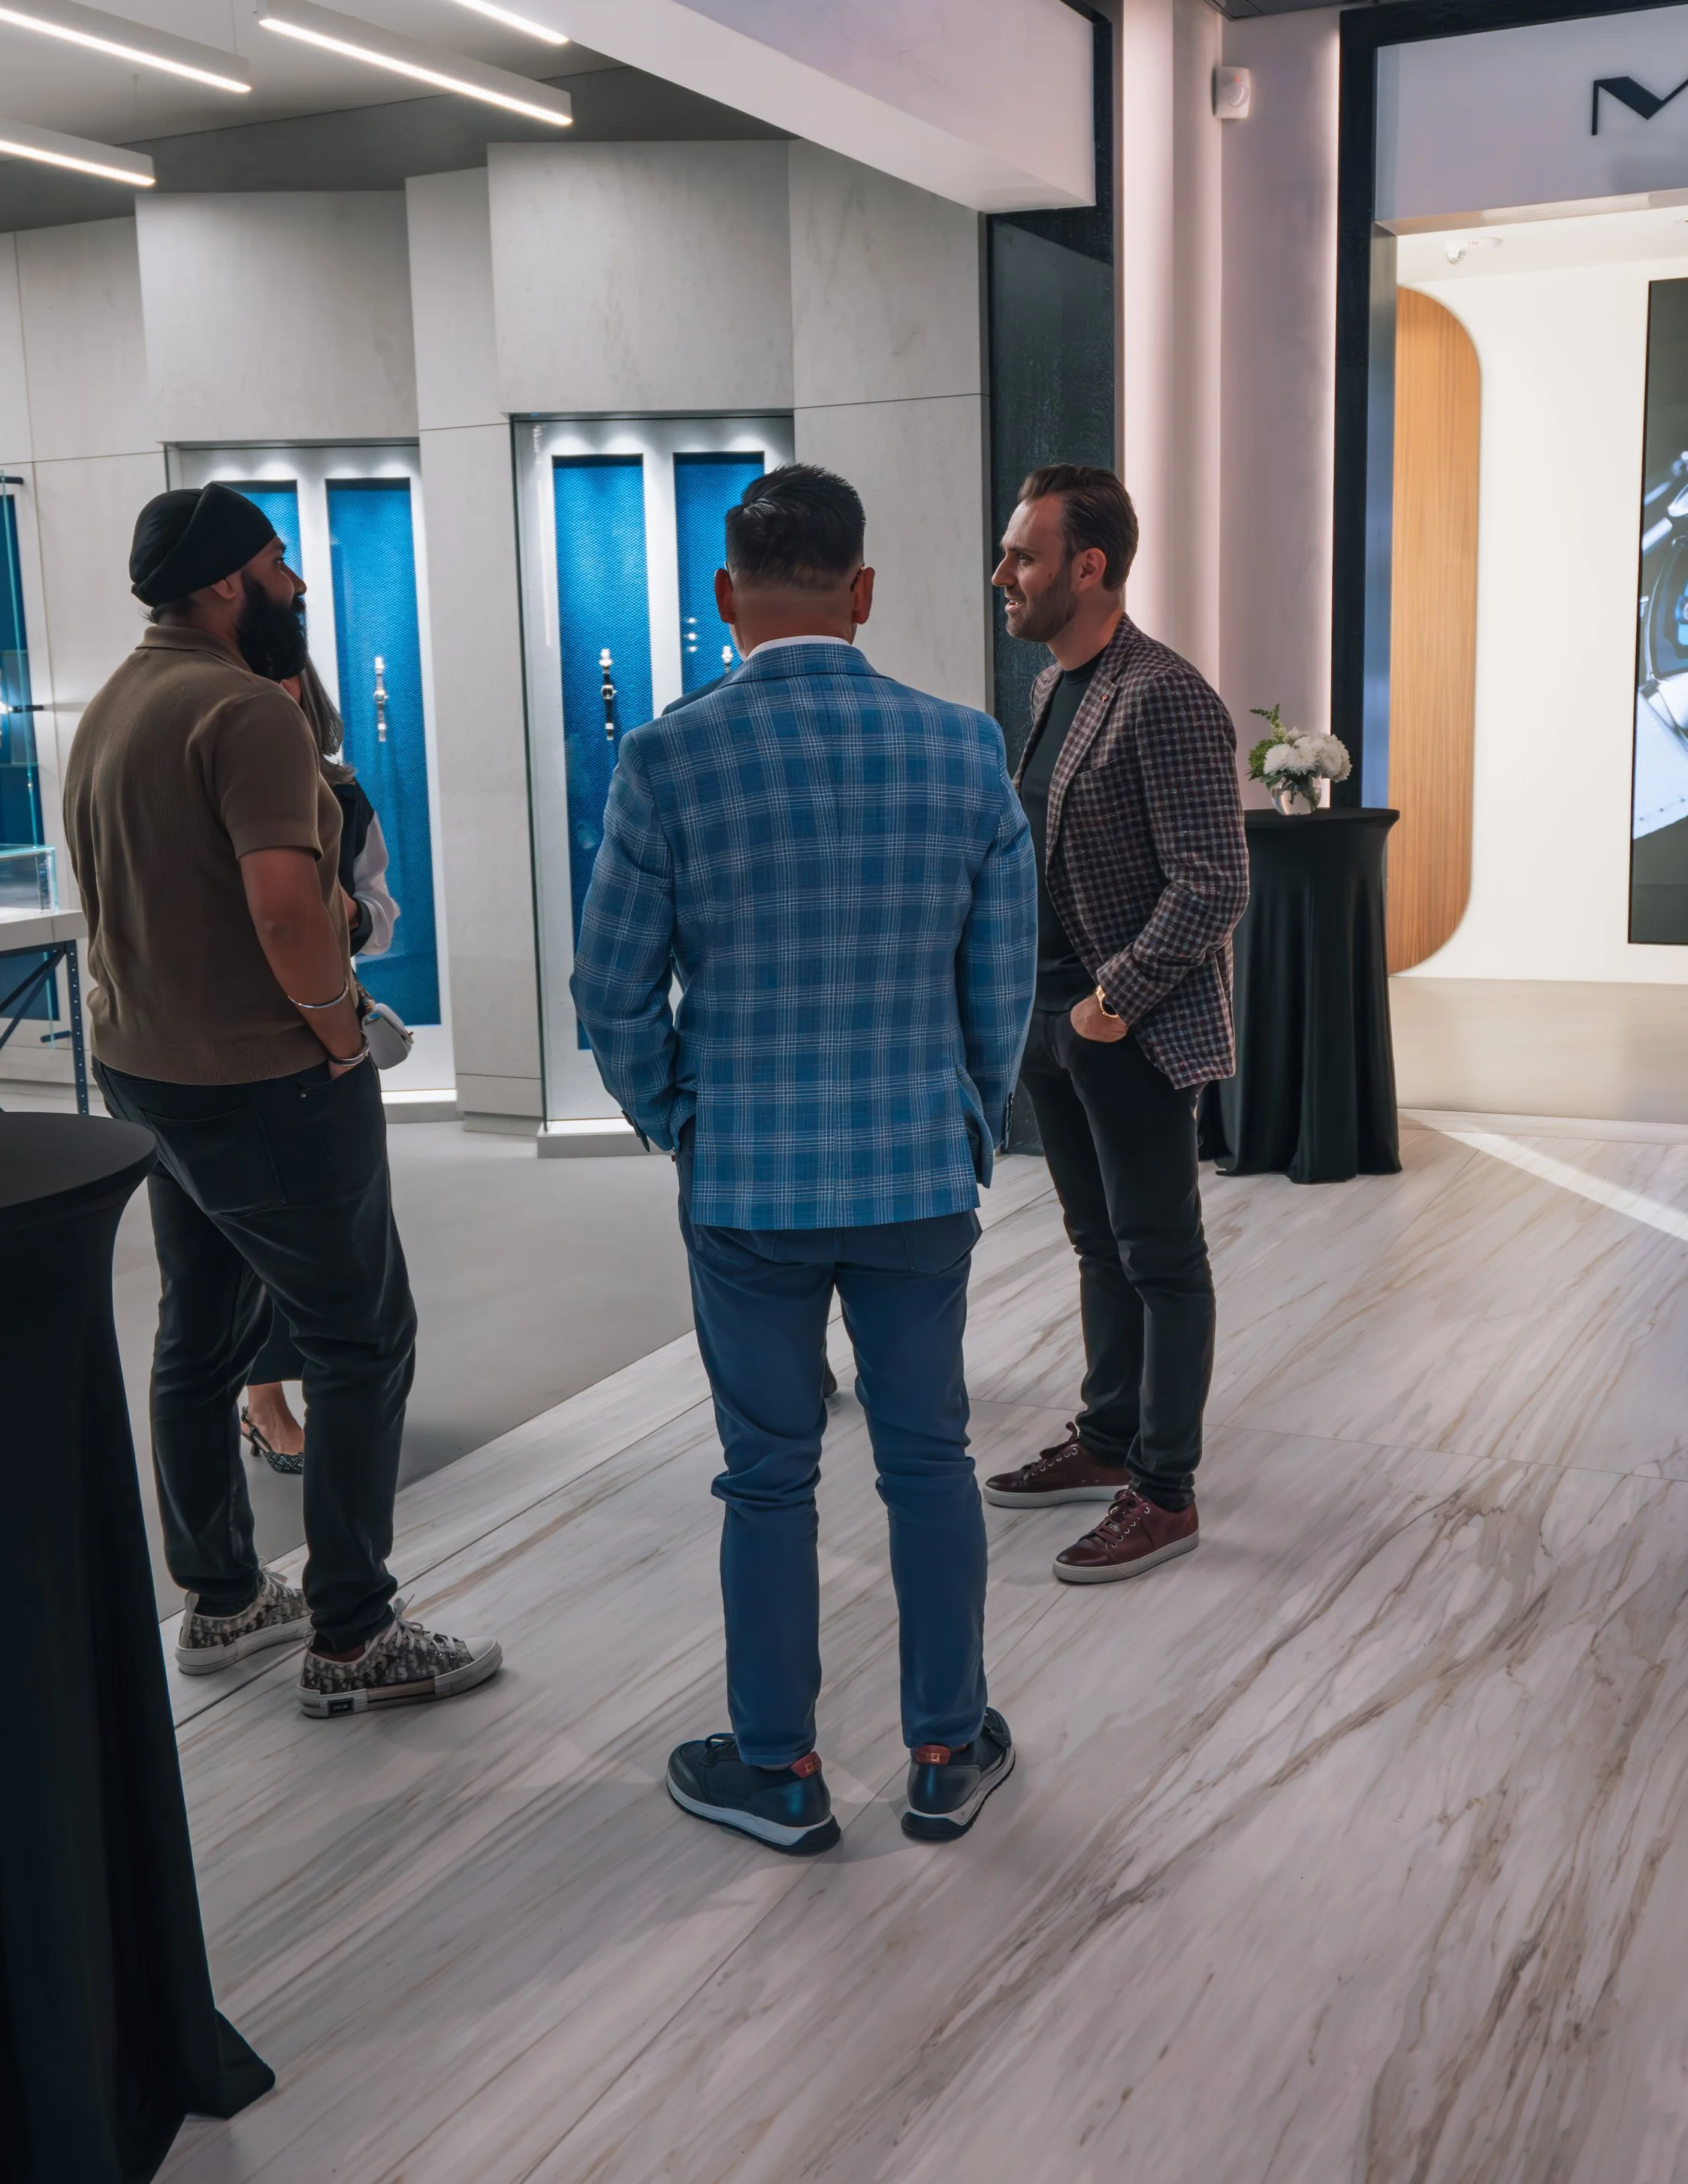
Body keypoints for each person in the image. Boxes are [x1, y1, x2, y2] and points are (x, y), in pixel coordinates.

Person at [575, 464, 1034, 1854]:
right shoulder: (963, 748)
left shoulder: (667, 757)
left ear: (727, 594)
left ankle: (778, 1769)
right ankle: (947, 1747)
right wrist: (966, 1111)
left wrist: (681, 1117)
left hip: (748, 1184)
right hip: (914, 1173)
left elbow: (609, 991)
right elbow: (1001, 983)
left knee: (766, 1474)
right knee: (930, 1456)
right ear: (865, 589)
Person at [63, 483, 499, 1716]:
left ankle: (219, 1594)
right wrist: (338, 1024)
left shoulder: (108, 709)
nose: (298, 585)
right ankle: (355, 1635)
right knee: (362, 1335)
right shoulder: (243, 710)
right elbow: (285, 907)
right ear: (220, 585)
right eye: (277, 562)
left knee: (198, 1332)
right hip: (264, 1078)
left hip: (148, 1073)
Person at [985, 465, 1247, 1586]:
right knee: (1098, 1247)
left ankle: (1166, 1489)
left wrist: (1108, 1004)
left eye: (1024, 556)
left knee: (1161, 1259)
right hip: (1051, 1025)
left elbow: (1213, 881)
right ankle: (1108, 1438)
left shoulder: (1166, 695)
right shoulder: (1053, 692)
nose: (1004, 574)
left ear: (1089, 567)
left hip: (1124, 1031)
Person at [240, 654, 400, 1476]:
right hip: (241, 1044)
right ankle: (263, 1398)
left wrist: (341, 913)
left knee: (336, 1233)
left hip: (322, 1037)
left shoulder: (341, 793)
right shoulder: (205, 781)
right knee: (248, 1240)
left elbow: (380, 916)